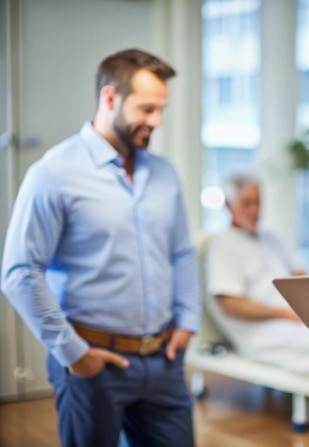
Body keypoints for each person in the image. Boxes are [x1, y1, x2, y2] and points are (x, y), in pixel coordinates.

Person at [1, 49, 199, 447]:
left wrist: (188, 319)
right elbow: (20, 272)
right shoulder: (53, 173)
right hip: (92, 363)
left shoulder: (163, 173)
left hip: (164, 361)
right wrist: (75, 354)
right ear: (110, 98)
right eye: (147, 109)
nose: (156, 121)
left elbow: (181, 252)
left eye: (161, 109)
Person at [206, 171, 309, 428]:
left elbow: (300, 274)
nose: (255, 210)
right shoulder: (223, 247)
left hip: (295, 316)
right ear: (229, 206)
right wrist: (286, 314)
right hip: (260, 330)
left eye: (258, 202)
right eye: (247, 203)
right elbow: (229, 305)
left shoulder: (272, 239)